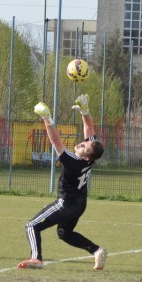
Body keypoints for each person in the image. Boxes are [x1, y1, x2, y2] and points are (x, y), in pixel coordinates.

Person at [18, 94, 107, 270]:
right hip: (80, 203)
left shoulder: (73, 163)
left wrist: (46, 118)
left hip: (66, 204)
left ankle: (36, 258)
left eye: (84, 147)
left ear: (87, 155)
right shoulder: (90, 158)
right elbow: (89, 129)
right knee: (64, 233)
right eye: (83, 143)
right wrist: (85, 111)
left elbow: (56, 141)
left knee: (31, 226)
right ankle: (96, 251)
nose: (81, 144)